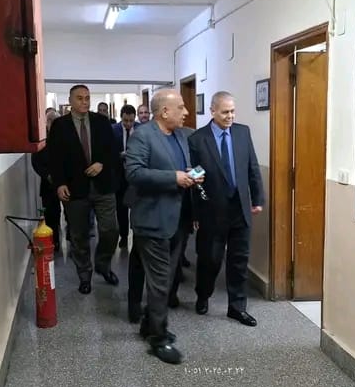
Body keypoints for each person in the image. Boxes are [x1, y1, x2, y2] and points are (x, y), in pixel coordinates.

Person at [125, 88, 203, 364]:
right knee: (159, 283)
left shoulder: (181, 136)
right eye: (181, 107)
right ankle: (158, 338)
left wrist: (193, 175)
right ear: (164, 111)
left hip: (178, 220)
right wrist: (174, 178)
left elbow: (186, 167)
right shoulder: (142, 136)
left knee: (169, 279)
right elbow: (134, 172)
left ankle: (149, 323)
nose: (186, 112)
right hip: (153, 220)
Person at [188, 91, 264, 327]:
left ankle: (237, 307)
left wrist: (257, 198)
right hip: (212, 211)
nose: (230, 116)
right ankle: (203, 294)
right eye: (225, 112)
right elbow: (194, 179)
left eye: (233, 111)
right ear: (212, 111)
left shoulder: (242, 132)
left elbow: (252, 167)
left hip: (239, 208)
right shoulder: (197, 139)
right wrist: (196, 212)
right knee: (210, 259)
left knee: (239, 260)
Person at [47, 85, 120, 294]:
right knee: (79, 235)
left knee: (110, 230)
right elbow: (54, 158)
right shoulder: (60, 125)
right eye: (79, 98)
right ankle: (84, 274)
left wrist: (101, 163)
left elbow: (113, 150)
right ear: (71, 101)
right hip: (74, 189)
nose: (85, 102)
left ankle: (103, 264)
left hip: (102, 186)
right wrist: (60, 183)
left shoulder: (101, 122)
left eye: (87, 98)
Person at [31, 109, 63, 252]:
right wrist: (47, 175)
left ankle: (71, 240)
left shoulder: (65, 137)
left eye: (55, 121)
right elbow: (36, 162)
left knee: (71, 214)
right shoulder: (42, 141)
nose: (53, 124)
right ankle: (54, 242)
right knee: (51, 215)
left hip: (67, 182)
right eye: (50, 121)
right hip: (48, 184)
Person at [112, 104, 140, 248]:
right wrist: (120, 155)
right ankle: (123, 236)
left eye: (131, 121)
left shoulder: (141, 129)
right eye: (125, 121)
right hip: (119, 175)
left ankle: (137, 237)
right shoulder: (113, 130)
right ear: (121, 118)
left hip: (136, 176)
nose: (128, 124)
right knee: (121, 208)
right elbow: (108, 152)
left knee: (137, 207)